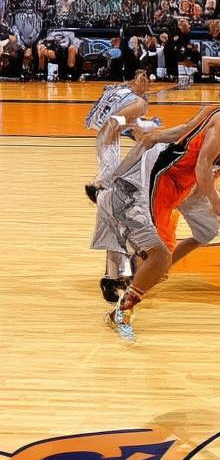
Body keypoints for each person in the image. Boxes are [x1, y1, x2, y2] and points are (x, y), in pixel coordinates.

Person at [100, 83, 220, 340]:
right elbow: (202, 164)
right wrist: (215, 200)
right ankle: (123, 299)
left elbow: (184, 135)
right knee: (159, 256)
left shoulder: (219, 116)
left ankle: (138, 279)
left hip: (184, 187)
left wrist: (156, 137)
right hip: (163, 181)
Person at [84, 71, 161, 302]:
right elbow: (116, 122)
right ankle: (118, 274)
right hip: (114, 162)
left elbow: (124, 123)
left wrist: (144, 125)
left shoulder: (123, 92)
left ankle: (116, 275)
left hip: (112, 152)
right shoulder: (138, 104)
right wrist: (107, 176)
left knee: (116, 223)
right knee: (121, 223)